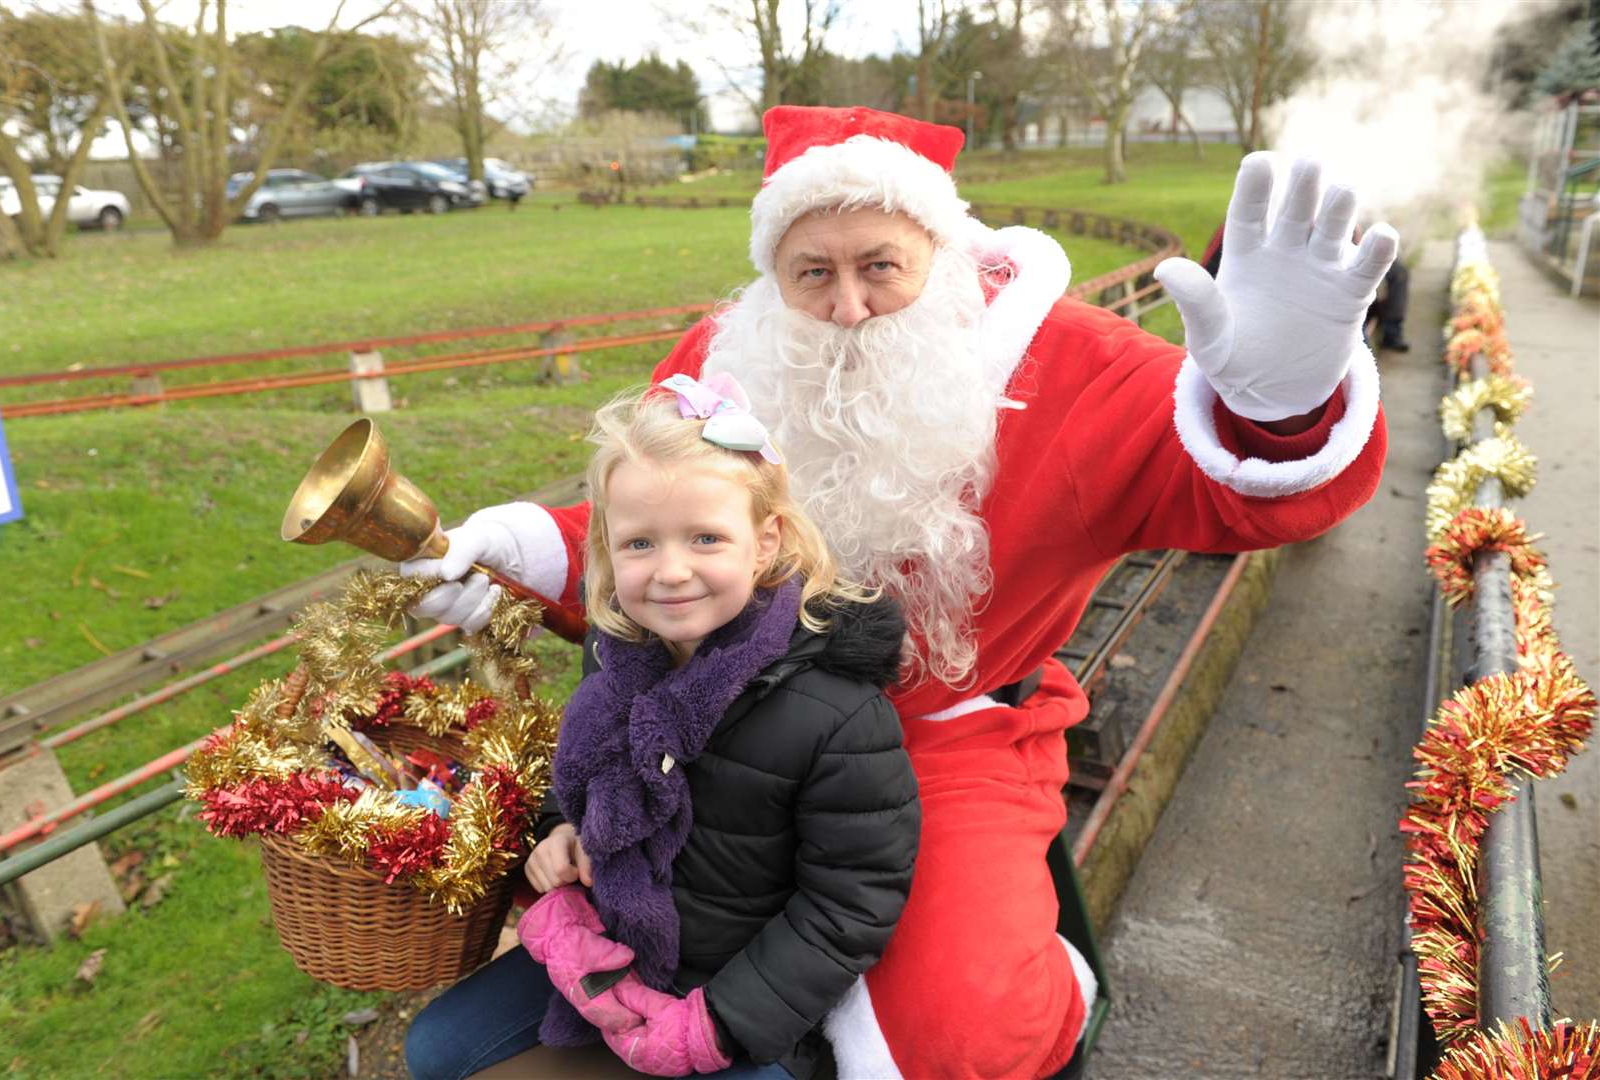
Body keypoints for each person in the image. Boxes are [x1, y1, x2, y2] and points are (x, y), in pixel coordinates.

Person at [406, 106, 1398, 1077]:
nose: (846, 307)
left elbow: (1245, 503)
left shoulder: (1073, 361)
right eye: (813, 273)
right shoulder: (732, 360)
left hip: (948, 737)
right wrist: (517, 549)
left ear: (941, 254)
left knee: (963, 1036)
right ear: (773, 276)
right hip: (729, 728)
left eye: (879, 265)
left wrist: (1279, 406)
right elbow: (657, 530)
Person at [403, 377, 921, 1080]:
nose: (671, 572)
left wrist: (722, 1021)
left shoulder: (836, 713)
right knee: (437, 1049)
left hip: (741, 993)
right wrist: (559, 831)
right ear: (609, 553)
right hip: (614, 947)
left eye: (705, 538)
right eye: (640, 543)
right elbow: (578, 779)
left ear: (765, 542)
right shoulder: (617, 658)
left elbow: (850, 900)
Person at [1202, 220, 1411, 351]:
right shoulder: (1239, 225)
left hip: (1331, 311)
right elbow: (1208, 276)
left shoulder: (1342, 222)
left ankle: (1391, 333)